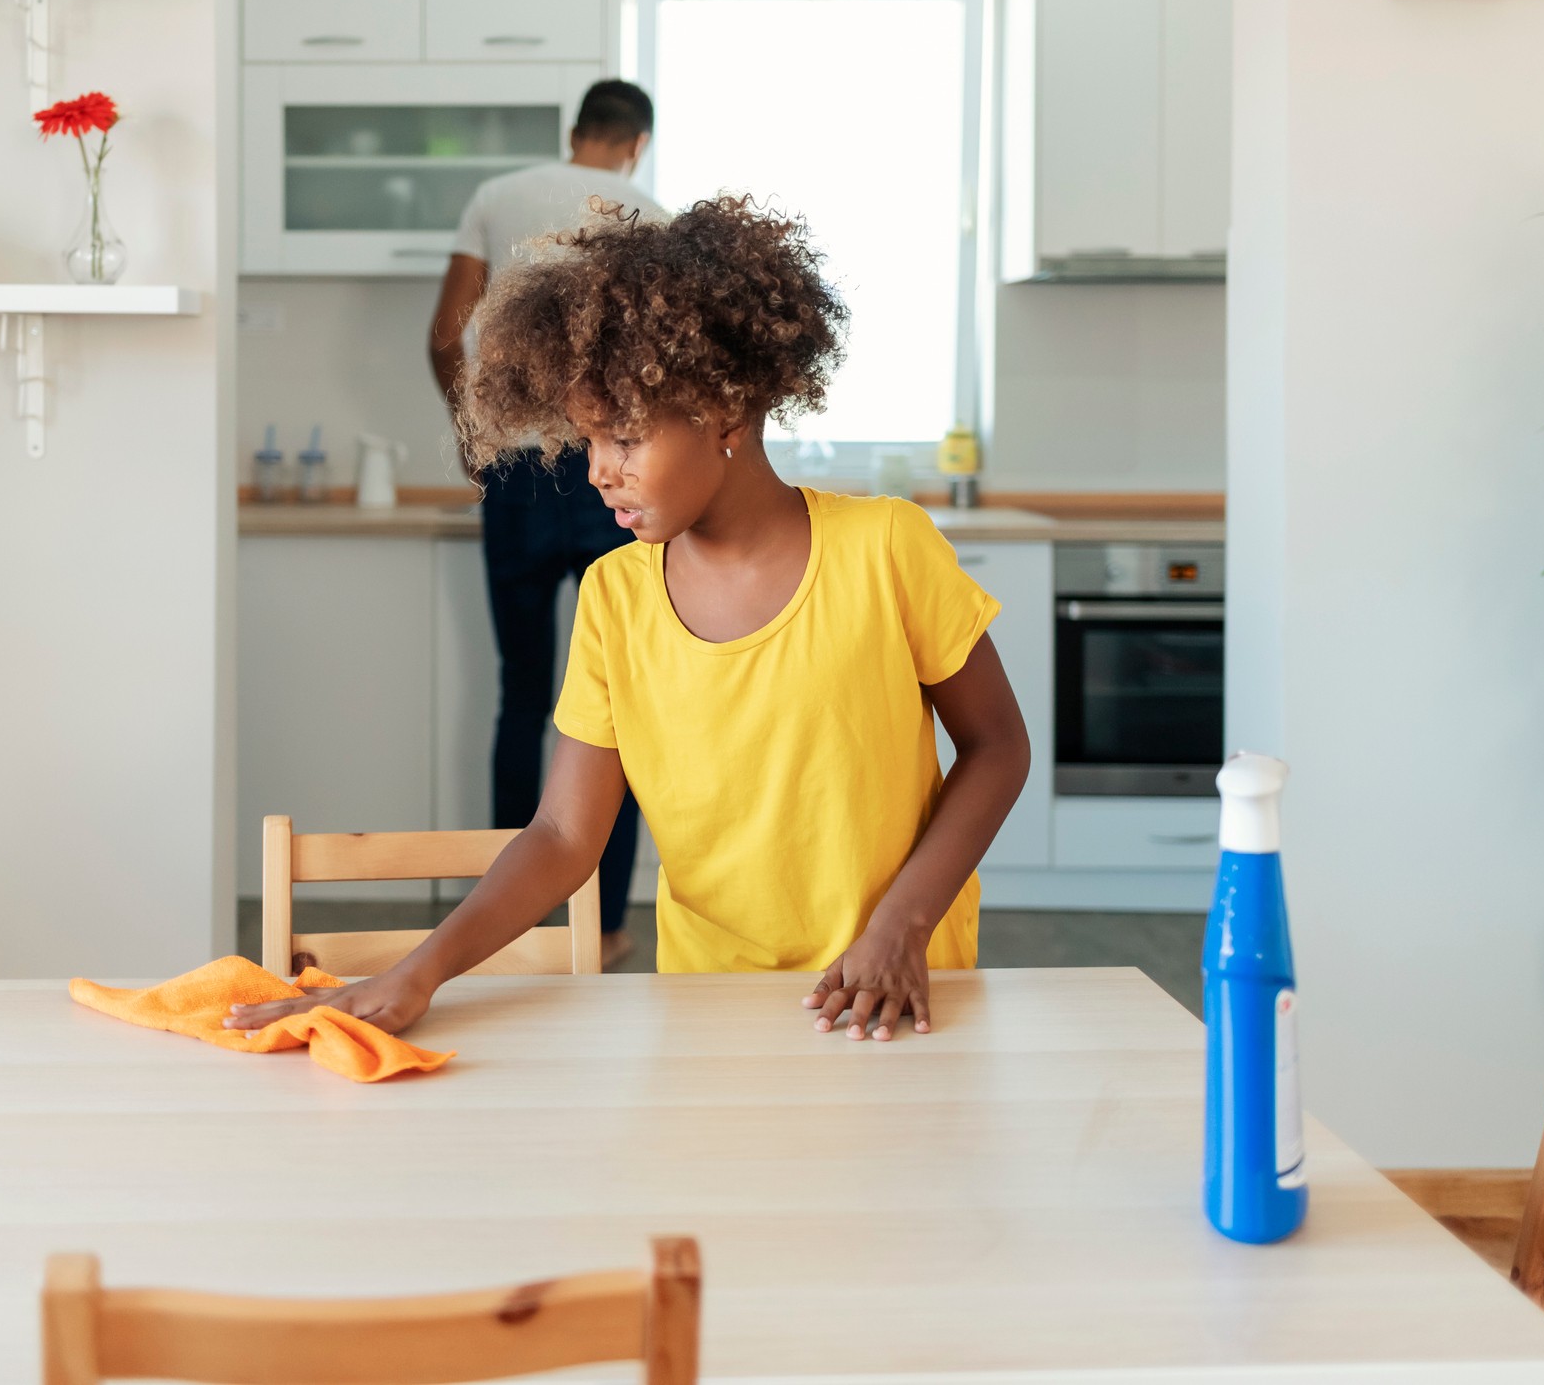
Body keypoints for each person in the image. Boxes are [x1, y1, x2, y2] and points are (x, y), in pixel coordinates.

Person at [232, 196, 1031, 1043]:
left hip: (896, 993)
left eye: (622, 439)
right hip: (706, 1008)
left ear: (726, 411)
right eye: (586, 444)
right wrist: (415, 973)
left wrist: (900, 925)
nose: (598, 474)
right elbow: (565, 833)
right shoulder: (615, 596)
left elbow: (997, 746)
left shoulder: (885, 548)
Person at [427, 80, 664, 970]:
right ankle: (599, 931)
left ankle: (506, 933)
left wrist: (476, 436)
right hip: (616, 469)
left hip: (521, 468)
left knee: (523, 696)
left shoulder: (496, 196)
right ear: (634, 143)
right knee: (622, 709)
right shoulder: (648, 213)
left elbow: (446, 337)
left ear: (575, 134)